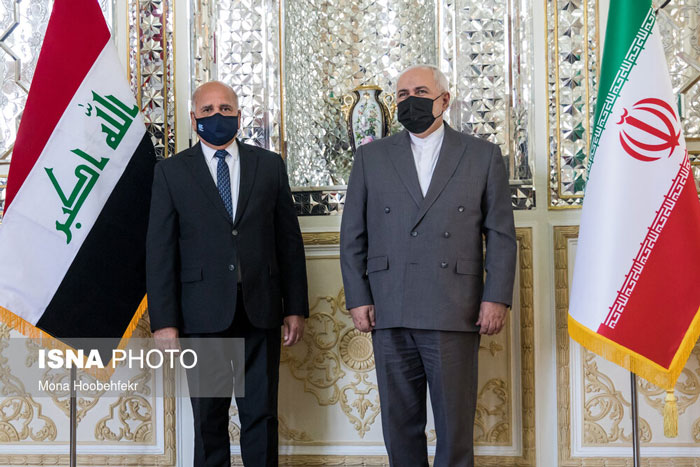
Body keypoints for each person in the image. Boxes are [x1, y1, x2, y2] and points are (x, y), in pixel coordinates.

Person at [340, 65, 516, 467]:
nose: (410, 100)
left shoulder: (482, 155)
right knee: (399, 424)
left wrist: (496, 298)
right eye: (402, 95)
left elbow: (501, 236)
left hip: (455, 306)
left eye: (420, 91)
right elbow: (352, 236)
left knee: (455, 427)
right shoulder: (370, 157)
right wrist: (358, 297)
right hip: (390, 306)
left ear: (444, 100)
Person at [146, 81, 308, 467]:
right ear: (193, 119)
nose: (216, 116)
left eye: (225, 109)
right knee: (209, 419)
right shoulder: (171, 172)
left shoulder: (269, 166)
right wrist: (164, 322)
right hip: (201, 316)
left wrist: (295, 307)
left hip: (261, 310)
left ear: (239, 115)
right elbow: (160, 251)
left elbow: (289, 242)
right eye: (207, 110)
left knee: (261, 415)